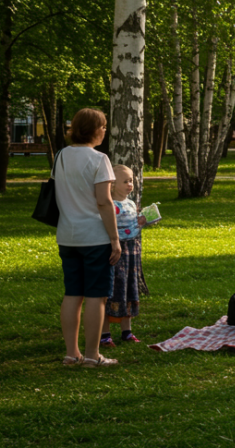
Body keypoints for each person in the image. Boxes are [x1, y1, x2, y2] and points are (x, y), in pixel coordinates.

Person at [54, 108, 121, 367]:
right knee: (96, 296)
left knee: (73, 293)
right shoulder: (99, 159)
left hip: (67, 236)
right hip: (94, 237)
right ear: (93, 130)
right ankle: (93, 355)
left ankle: (71, 354)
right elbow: (104, 202)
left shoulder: (60, 156)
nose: (104, 130)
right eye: (102, 126)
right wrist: (115, 239)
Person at [102, 165, 148, 348]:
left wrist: (142, 222)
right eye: (125, 181)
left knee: (130, 287)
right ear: (112, 184)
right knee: (112, 290)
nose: (130, 184)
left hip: (132, 252)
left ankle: (126, 331)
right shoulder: (110, 205)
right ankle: (105, 334)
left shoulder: (130, 203)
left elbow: (132, 226)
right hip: (116, 252)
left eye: (132, 180)